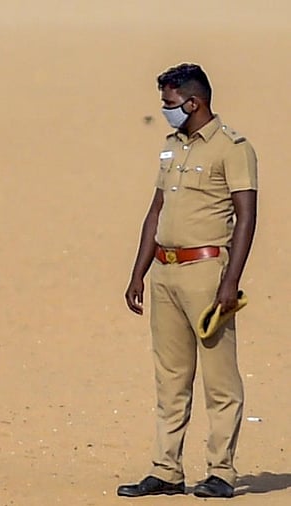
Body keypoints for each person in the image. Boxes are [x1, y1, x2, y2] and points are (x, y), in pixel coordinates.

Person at [118, 63, 257, 499]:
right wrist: (138, 272)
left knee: (219, 381)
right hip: (165, 272)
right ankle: (167, 469)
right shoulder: (171, 148)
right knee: (170, 378)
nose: (166, 111)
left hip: (206, 272)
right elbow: (155, 210)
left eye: (170, 104)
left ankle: (221, 471)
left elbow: (247, 215)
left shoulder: (232, 148)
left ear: (193, 102)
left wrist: (229, 281)